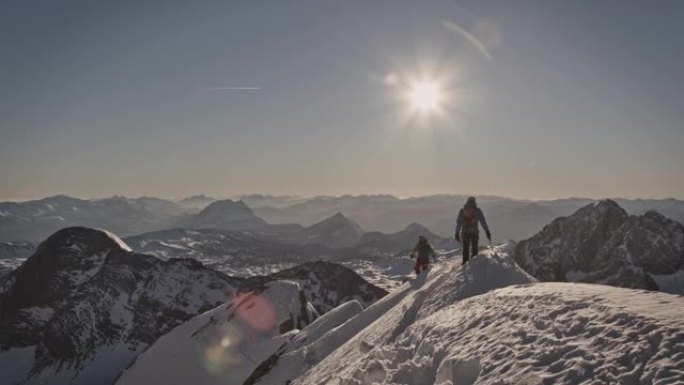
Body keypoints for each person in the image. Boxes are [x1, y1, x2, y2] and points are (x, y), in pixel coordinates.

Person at [454, 197, 491, 265]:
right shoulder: (478, 211)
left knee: (466, 249)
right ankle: (474, 264)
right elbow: (483, 222)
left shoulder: (462, 211)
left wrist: (456, 233)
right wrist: (487, 231)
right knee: (474, 248)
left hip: (465, 232)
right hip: (474, 232)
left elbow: (458, 223)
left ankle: (465, 263)